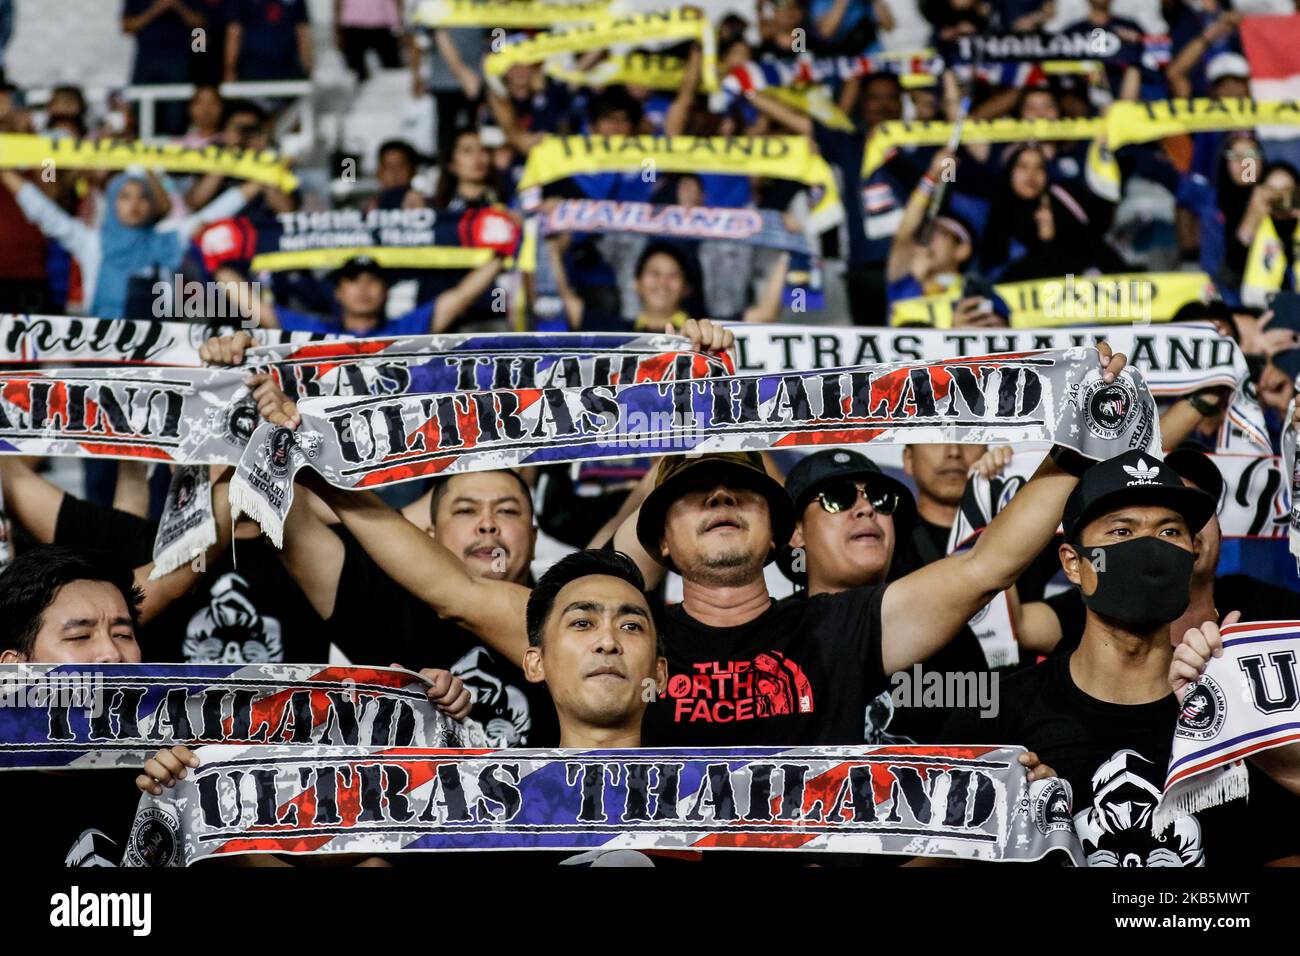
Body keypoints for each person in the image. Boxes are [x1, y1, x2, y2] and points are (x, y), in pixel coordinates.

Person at [940, 450, 1300, 866]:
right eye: (1122, 532)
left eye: (1169, 533)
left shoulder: (1235, 714)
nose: (1149, 549)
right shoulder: (995, 719)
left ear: (1192, 553)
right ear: (1074, 564)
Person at [262, 467, 560, 747]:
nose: (487, 525)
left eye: (507, 511)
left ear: (534, 538)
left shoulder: (570, 617)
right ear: (428, 534)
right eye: (465, 510)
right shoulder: (387, 603)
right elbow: (291, 528)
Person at [779, 449, 1000, 747]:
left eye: (881, 498)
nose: (866, 508)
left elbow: (987, 761)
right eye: (838, 497)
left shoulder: (952, 637)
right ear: (796, 532)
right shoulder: (772, 638)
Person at [0, 546, 150, 865]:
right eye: (80, 636)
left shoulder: (165, 778)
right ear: (16, 671)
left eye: (123, 634)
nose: (111, 653)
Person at [0, 168, 258, 320]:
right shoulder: (92, 243)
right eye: (125, 197)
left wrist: (262, 179)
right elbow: (44, 212)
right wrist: (6, 172)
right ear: (112, 203)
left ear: (152, 205)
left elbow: (215, 213)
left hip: (160, 347)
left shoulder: (169, 239)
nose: (135, 204)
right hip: (104, 350)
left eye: (143, 197)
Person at [890, 443, 986, 579]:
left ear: (987, 453)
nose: (954, 451)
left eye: (968, 437)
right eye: (936, 438)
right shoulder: (887, 543)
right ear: (909, 458)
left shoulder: (1013, 530)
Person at [122, 0, 206, 135]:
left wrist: (177, 6)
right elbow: (126, 27)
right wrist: (156, 9)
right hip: (146, 57)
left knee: (176, 111)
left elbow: (200, 26)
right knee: (141, 110)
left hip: (179, 58)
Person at [335, 0, 403, 84]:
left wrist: (399, 26)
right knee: (355, 72)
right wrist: (337, 31)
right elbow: (338, 2)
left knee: (393, 71)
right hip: (353, 25)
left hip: (383, 23)